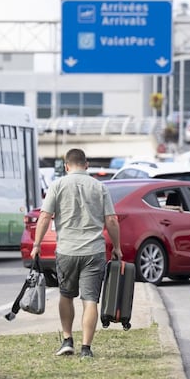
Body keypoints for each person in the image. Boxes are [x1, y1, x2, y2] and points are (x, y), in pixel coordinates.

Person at [30, 148, 122, 358]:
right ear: (86, 164)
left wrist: (36, 244)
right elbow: (111, 220)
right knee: (90, 300)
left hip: (67, 251)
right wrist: (117, 247)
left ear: (66, 166)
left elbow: (45, 217)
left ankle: (67, 339)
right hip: (94, 251)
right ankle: (86, 348)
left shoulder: (57, 185)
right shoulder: (99, 187)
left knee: (66, 295)